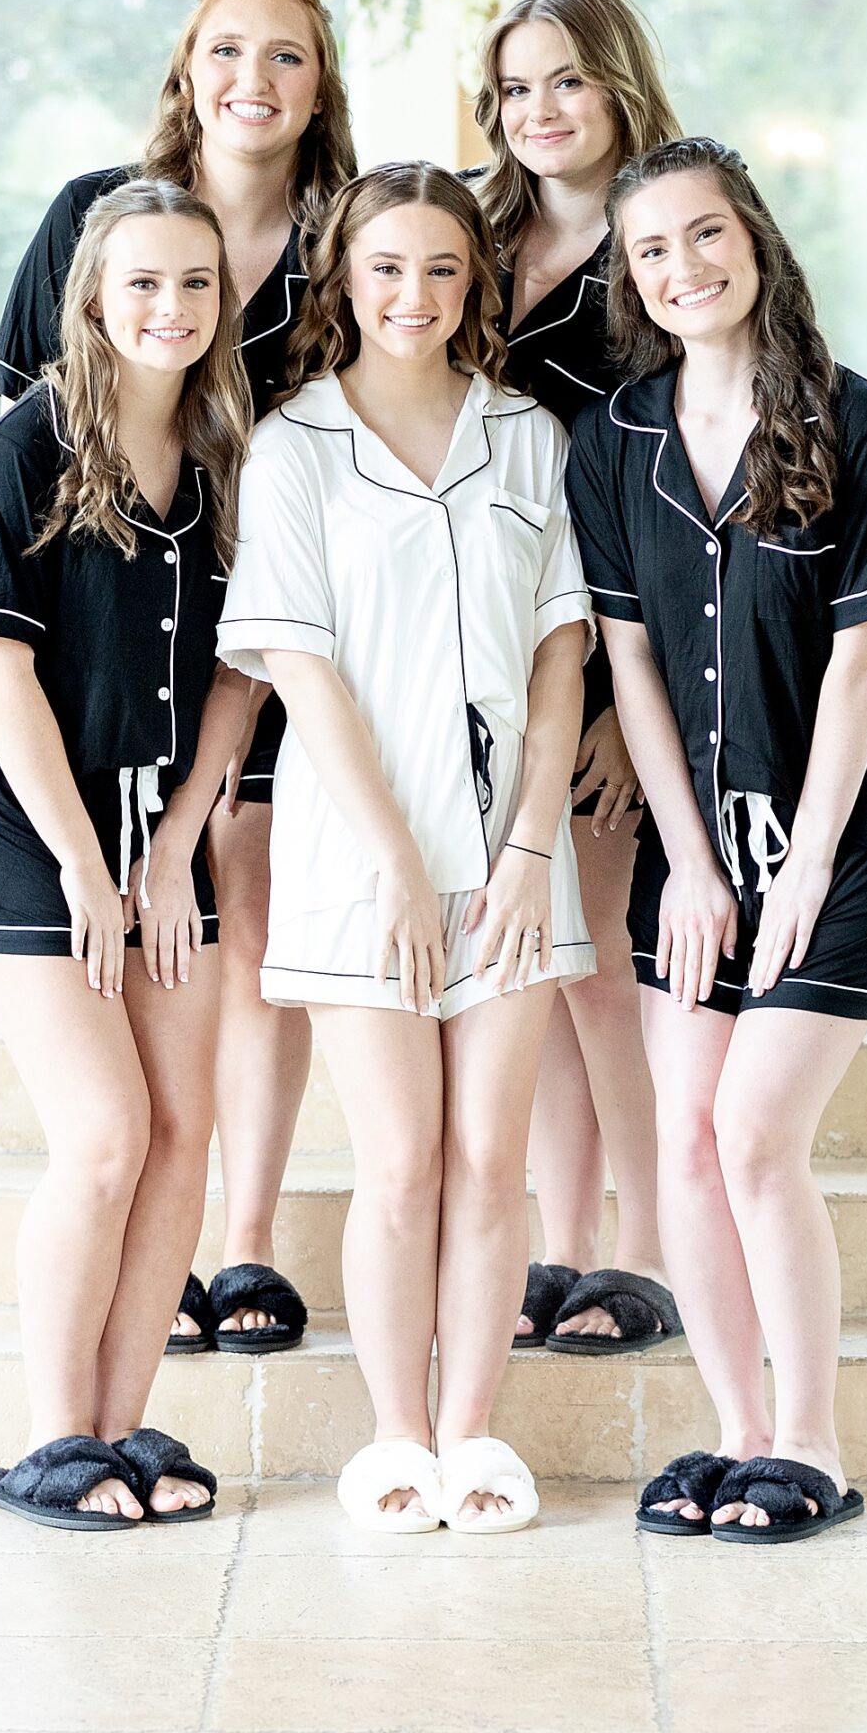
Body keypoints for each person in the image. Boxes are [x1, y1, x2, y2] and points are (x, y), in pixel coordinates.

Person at [566, 137, 867, 1544]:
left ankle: (815, 1446)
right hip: (696, 853)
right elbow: (635, 666)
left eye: (705, 237)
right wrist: (696, 864)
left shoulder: (860, 422)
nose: (682, 269)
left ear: (757, 242)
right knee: (681, 1150)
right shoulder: (617, 441)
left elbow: (861, 670)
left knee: (751, 1134)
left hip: (849, 845)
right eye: (652, 251)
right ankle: (733, 1440)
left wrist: (801, 870)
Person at [216, 164, 595, 1533]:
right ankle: (393, 1440)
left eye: (442, 268)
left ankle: (476, 1435)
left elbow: (561, 658)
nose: (414, 294)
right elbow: (300, 670)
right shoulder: (296, 447)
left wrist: (533, 850)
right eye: (386, 268)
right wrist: (390, 861)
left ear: (474, 285)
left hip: (508, 871)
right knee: (402, 1165)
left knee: (496, 1165)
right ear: (344, 281)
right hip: (356, 867)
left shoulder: (531, 439)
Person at [0, 0, 358, 1354]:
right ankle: (152, 1247)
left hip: (272, 634)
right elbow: (39, 441)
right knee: (179, 927)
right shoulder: (102, 217)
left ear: (321, 85)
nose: (253, 78)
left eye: (288, 57)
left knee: (253, 937)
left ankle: (243, 1244)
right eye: (225, 51)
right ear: (185, 68)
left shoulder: (344, 247)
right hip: (118, 649)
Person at [0, 181, 254, 1530]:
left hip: (158, 830)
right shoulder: (31, 442)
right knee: (108, 1132)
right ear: (94, 302)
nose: (168, 309)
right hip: (19, 821)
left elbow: (245, 671)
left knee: (185, 1136)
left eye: (194, 283)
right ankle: (51, 1437)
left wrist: (172, 852)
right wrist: (80, 863)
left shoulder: (237, 454)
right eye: (141, 286)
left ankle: (117, 1435)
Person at [470, 0, 681, 1358]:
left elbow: (675, 481)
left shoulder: (665, 236)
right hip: (491, 643)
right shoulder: (474, 238)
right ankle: (562, 1244)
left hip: (610, 652)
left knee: (601, 964)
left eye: (566, 81)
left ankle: (648, 1252)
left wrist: (618, 702)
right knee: (536, 964)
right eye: (516, 88)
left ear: (617, 84)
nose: (540, 111)